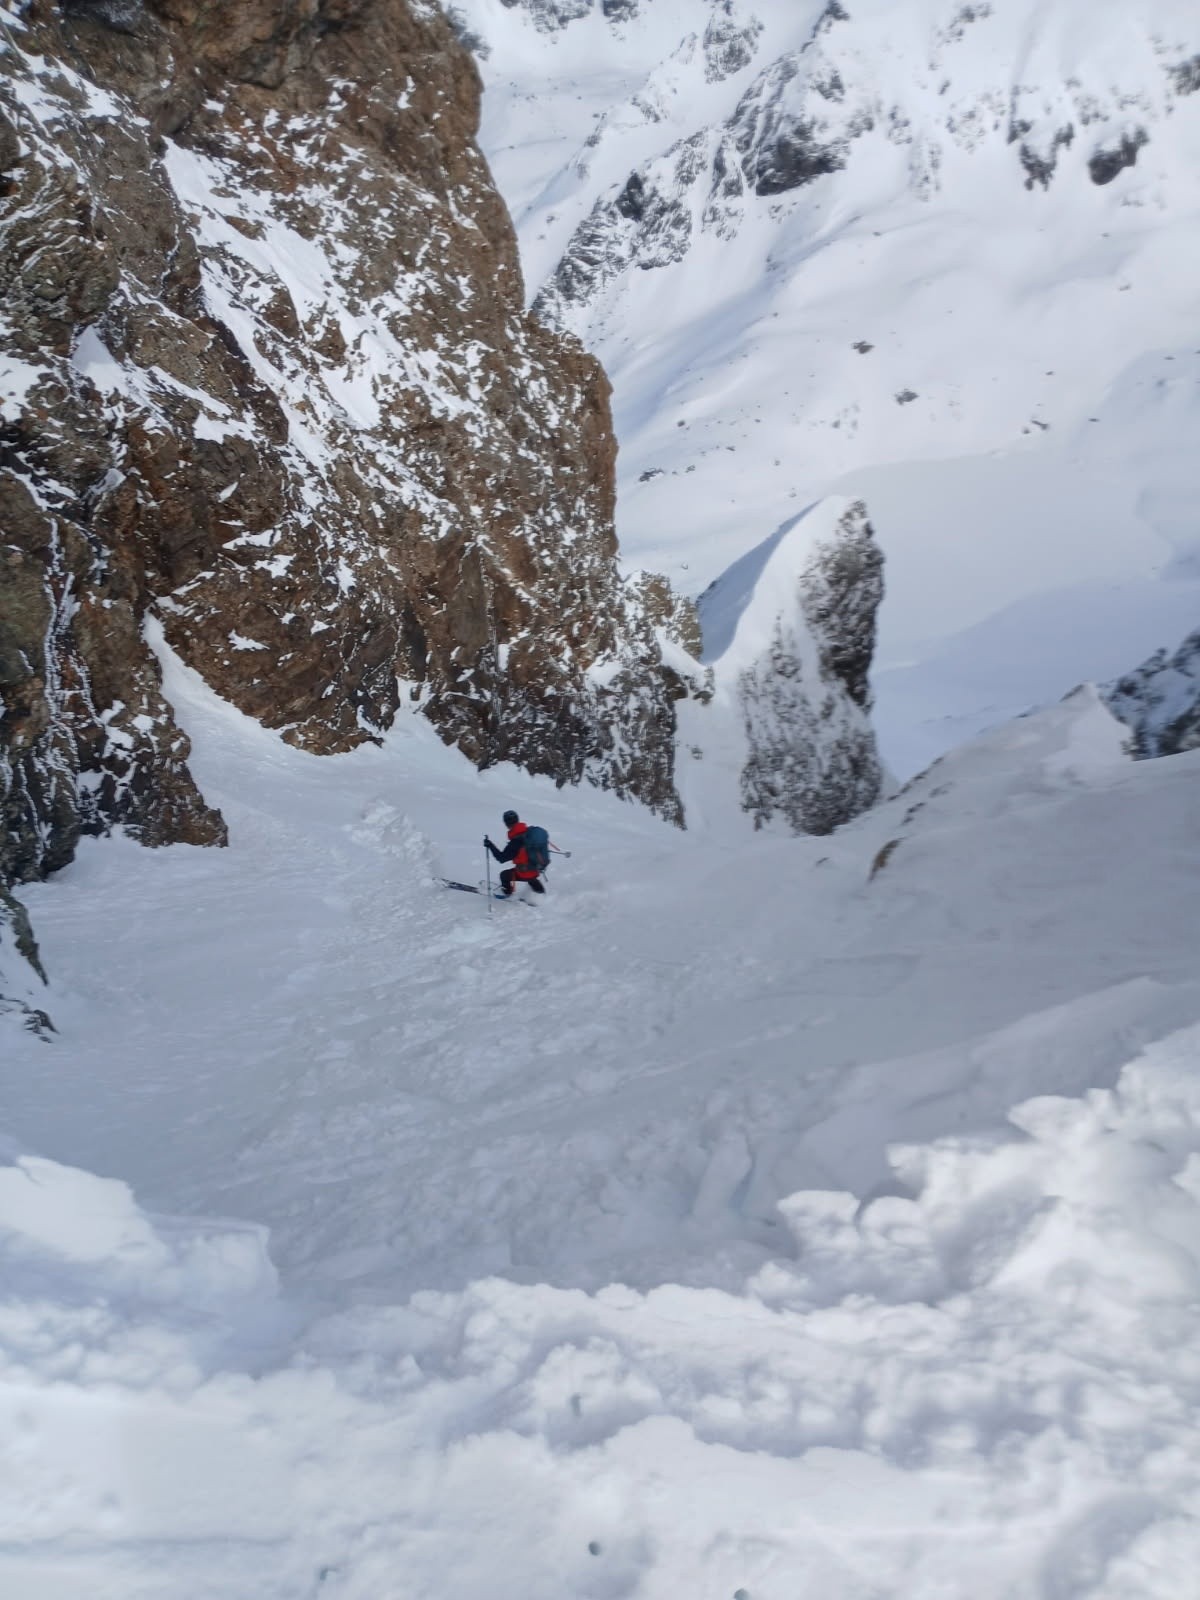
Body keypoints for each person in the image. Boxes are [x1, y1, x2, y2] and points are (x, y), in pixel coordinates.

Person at [485, 810, 546, 897]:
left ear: (506, 824)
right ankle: (541, 893)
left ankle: (506, 893)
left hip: (524, 872)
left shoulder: (516, 842)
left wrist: (490, 845)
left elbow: (501, 858)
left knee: (504, 875)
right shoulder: (529, 833)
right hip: (536, 870)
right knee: (531, 877)